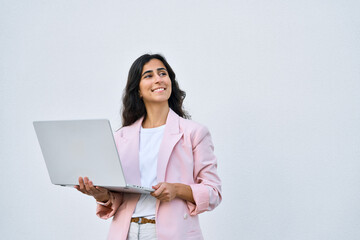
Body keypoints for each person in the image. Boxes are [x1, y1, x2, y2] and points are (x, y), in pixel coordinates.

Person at [75, 54, 222, 240]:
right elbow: (119, 196)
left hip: (172, 233)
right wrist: (101, 194)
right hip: (125, 232)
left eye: (162, 73)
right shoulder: (121, 137)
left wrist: (177, 190)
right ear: (138, 90)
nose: (158, 79)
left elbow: (213, 192)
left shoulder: (194, 133)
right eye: (148, 75)